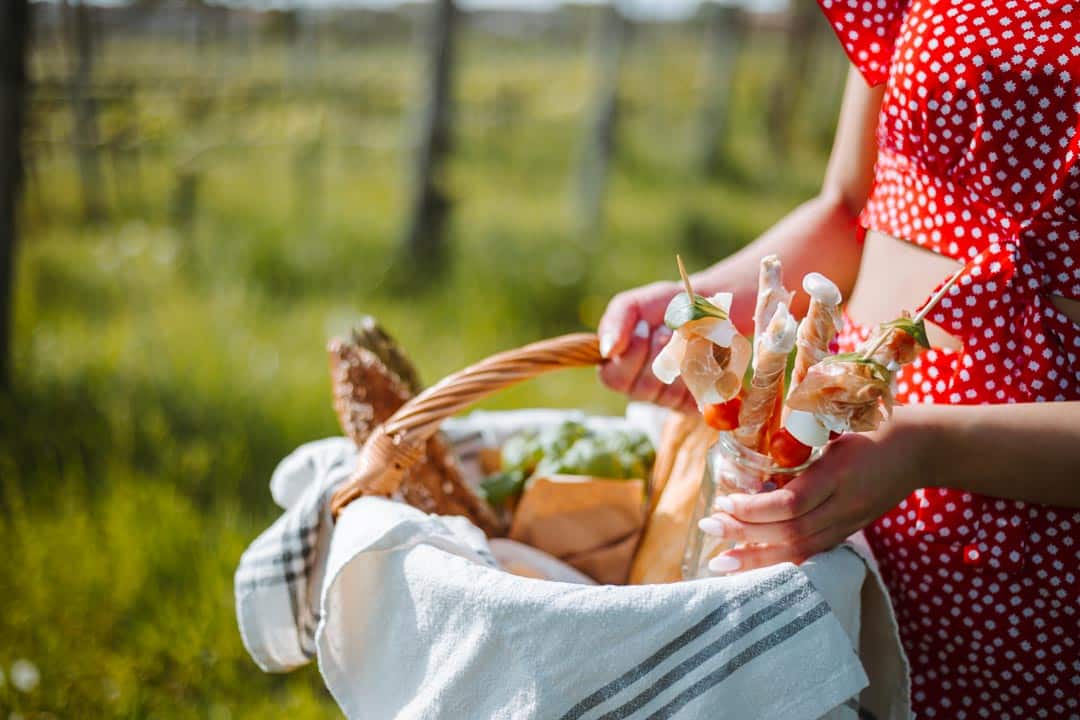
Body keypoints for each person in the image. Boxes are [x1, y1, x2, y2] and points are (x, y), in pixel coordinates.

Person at [597, 1, 1079, 717]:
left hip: (1045, 547)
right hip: (835, 486)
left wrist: (925, 447)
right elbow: (853, 205)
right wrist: (717, 306)